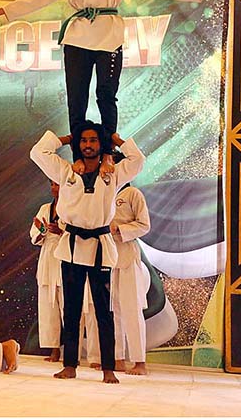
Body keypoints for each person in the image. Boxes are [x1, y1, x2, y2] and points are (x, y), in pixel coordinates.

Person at [0, 0, 215, 171]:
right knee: (77, 97)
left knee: (106, 95)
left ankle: (107, 151)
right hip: (76, 38)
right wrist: (9, 10)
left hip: (109, 37)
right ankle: (77, 155)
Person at [29, 121, 144, 384]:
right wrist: (68, 138)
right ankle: (70, 365)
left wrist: (114, 139)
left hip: (100, 245)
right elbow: (38, 153)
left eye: (93, 140)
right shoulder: (65, 171)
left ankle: (108, 368)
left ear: (100, 144)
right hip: (71, 246)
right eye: (84, 141)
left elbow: (138, 159)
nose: (88, 145)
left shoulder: (112, 173)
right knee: (71, 309)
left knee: (104, 311)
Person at [109, 180, 152, 375]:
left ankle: (139, 362)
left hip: (127, 253)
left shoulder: (133, 193)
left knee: (132, 309)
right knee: (114, 310)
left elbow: (144, 225)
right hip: (108, 256)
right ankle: (117, 358)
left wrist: (120, 229)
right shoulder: (103, 193)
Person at [30, 180, 65, 362]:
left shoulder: (72, 206)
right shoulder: (45, 208)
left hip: (65, 257)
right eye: (52, 184)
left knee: (68, 308)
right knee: (48, 307)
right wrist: (42, 232)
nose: (54, 188)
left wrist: (62, 231)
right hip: (47, 258)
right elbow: (34, 234)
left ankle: (71, 350)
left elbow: (80, 232)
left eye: (57, 184)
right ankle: (54, 350)